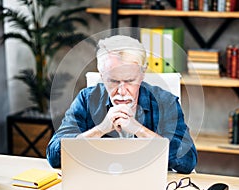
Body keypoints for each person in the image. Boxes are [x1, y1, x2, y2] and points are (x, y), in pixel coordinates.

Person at [46, 35, 197, 173]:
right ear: (101, 75)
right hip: (99, 180)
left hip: (148, 181)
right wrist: (100, 130)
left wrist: (139, 130)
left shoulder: (165, 102)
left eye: (130, 81)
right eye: (113, 81)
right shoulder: (86, 99)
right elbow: (54, 155)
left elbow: (188, 160)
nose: (122, 91)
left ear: (142, 74)